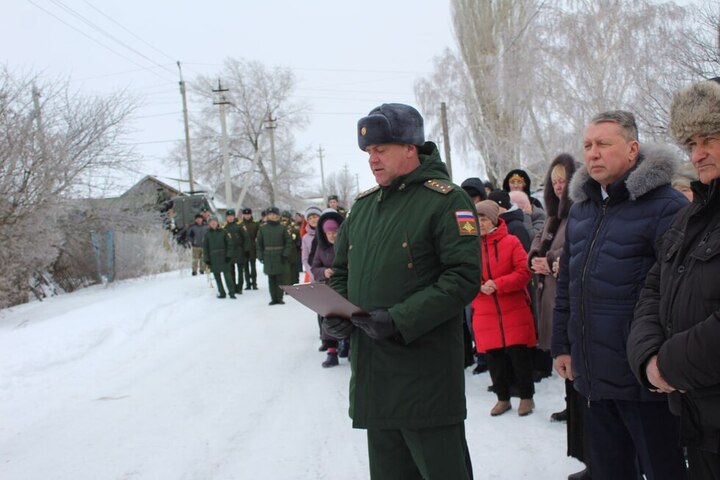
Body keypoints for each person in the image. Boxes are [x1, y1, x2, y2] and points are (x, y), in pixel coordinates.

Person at [326, 103, 480, 480]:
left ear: (410, 147)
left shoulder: (445, 200)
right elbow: (341, 272)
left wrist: (399, 319)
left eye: (381, 150)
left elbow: (462, 278)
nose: (372, 160)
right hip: (373, 377)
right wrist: (338, 313)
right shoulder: (362, 209)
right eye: (368, 153)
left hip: (423, 376)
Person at [552, 110, 688, 480]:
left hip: (644, 378)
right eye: (587, 146)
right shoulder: (581, 211)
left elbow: (680, 293)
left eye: (603, 144)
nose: (592, 154)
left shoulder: (666, 208)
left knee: (663, 469)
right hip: (593, 374)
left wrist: (664, 359)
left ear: (632, 149)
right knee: (608, 470)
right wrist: (562, 344)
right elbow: (568, 283)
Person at [627, 78, 720, 479]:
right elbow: (653, 287)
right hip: (698, 422)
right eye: (691, 143)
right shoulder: (691, 216)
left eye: (710, 138)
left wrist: (668, 365)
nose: (697, 154)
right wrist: (648, 358)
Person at [528, 153, 587, 477]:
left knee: (576, 368)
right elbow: (536, 245)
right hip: (551, 297)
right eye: (555, 180)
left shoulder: (580, 212)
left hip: (570, 301)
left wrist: (550, 262)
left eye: (564, 179)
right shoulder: (553, 215)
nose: (560, 185)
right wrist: (536, 260)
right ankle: (572, 412)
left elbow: (579, 248)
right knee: (565, 362)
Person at [472, 200, 536, 417]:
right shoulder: (469, 247)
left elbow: (523, 271)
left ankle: (526, 397)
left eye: (484, 218)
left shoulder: (511, 242)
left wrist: (498, 284)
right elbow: (462, 275)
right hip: (485, 311)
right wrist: (477, 286)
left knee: (520, 357)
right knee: (494, 359)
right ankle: (503, 398)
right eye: (477, 218)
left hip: (513, 308)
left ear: (493, 220)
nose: (480, 223)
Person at [311, 209, 347, 367]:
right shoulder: (321, 248)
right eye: (329, 233)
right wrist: (324, 272)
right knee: (329, 320)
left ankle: (349, 346)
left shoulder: (348, 246)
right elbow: (314, 268)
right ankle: (332, 352)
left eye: (335, 232)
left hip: (346, 287)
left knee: (348, 318)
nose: (332, 235)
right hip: (328, 289)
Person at [256, 207, 292, 305]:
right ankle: (273, 298)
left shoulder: (282, 228)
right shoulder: (263, 229)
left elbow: (288, 242)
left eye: (274, 214)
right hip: (268, 256)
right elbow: (259, 244)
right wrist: (260, 256)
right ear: (267, 216)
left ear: (278, 216)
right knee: (271, 278)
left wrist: (285, 254)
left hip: (279, 256)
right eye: (270, 214)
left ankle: (280, 298)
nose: (272, 216)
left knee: (280, 278)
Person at [203, 215, 236, 299]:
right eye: (211, 222)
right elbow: (205, 248)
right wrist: (206, 259)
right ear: (209, 224)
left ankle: (231, 292)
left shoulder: (224, 232)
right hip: (213, 258)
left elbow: (230, 245)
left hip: (224, 256)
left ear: (217, 222)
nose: (213, 223)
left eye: (214, 221)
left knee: (227, 275)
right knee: (217, 276)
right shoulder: (207, 234)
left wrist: (228, 255)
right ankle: (222, 293)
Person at [222, 209, 249, 295]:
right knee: (231, 271)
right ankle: (233, 287)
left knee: (240, 271)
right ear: (226, 217)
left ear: (234, 216)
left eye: (231, 216)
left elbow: (246, 238)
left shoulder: (239, 226)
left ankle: (240, 287)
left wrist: (246, 250)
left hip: (239, 250)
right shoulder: (224, 228)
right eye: (228, 216)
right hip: (230, 252)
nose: (230, 218)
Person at [240, 208, 259, 290]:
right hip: (243, 248)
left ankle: (254, 283)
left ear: (251, 215)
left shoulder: (255, 224)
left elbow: (258, 236)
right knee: (246, 267)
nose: (247, 216)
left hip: (253, 248)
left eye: (248, 214)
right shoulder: (240, 225)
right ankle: (248, 283)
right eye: (245, 214)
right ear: (243, 215)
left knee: (253, 267)